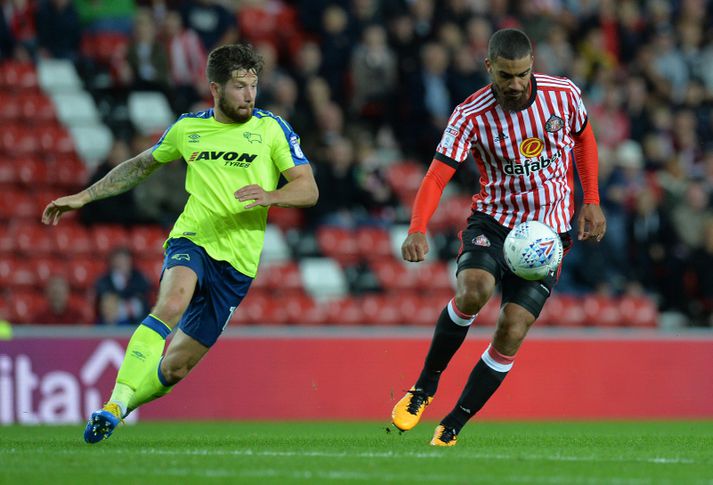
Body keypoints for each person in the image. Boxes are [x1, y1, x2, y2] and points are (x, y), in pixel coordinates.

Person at [41, 42, 319, 443]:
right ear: (216, 88)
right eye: (240, 86)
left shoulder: (271, 129)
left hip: (238, 263)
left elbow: (308, 189)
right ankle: (114, 403)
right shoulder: (188, 129)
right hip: (193, 238)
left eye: (254, 86)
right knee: (171, 304)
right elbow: (140, 165)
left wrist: (271, 196)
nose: (249, 95)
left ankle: (120, 410)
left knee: (174, 369)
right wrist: (84, 196)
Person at [390, 29, 606, 446]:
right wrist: (417, 227)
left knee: (512, 328)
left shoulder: (563, 95)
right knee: (473, 291)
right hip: (495, 220)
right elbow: (437, 175)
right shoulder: (470, 114)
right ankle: (424, 387)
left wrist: (592, 198)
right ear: (489, 68)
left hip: (547, 235)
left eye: (523, 74)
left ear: (532, 65)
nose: (515, 84)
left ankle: (452, 424)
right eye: (506, 75)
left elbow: (584, 137)